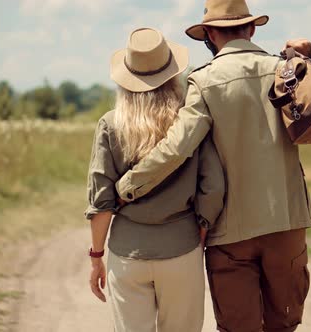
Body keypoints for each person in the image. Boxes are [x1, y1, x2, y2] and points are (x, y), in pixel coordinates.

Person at [114, 1, 311, 331]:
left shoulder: (203, 81)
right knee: (284, 326)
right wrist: (302, 59)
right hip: (287, 224)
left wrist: (127, 187)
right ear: (251, 29)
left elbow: (177, 148)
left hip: (229, 233)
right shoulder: (286, 71)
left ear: (208, 34)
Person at [85, 27, 225, 332]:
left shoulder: (110, 125)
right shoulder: (189, 123)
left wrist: (96, 257)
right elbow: (213, 186)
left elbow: (101, 203)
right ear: (172, 74)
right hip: (181, 250)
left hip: (127, 255)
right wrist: (201, 229)